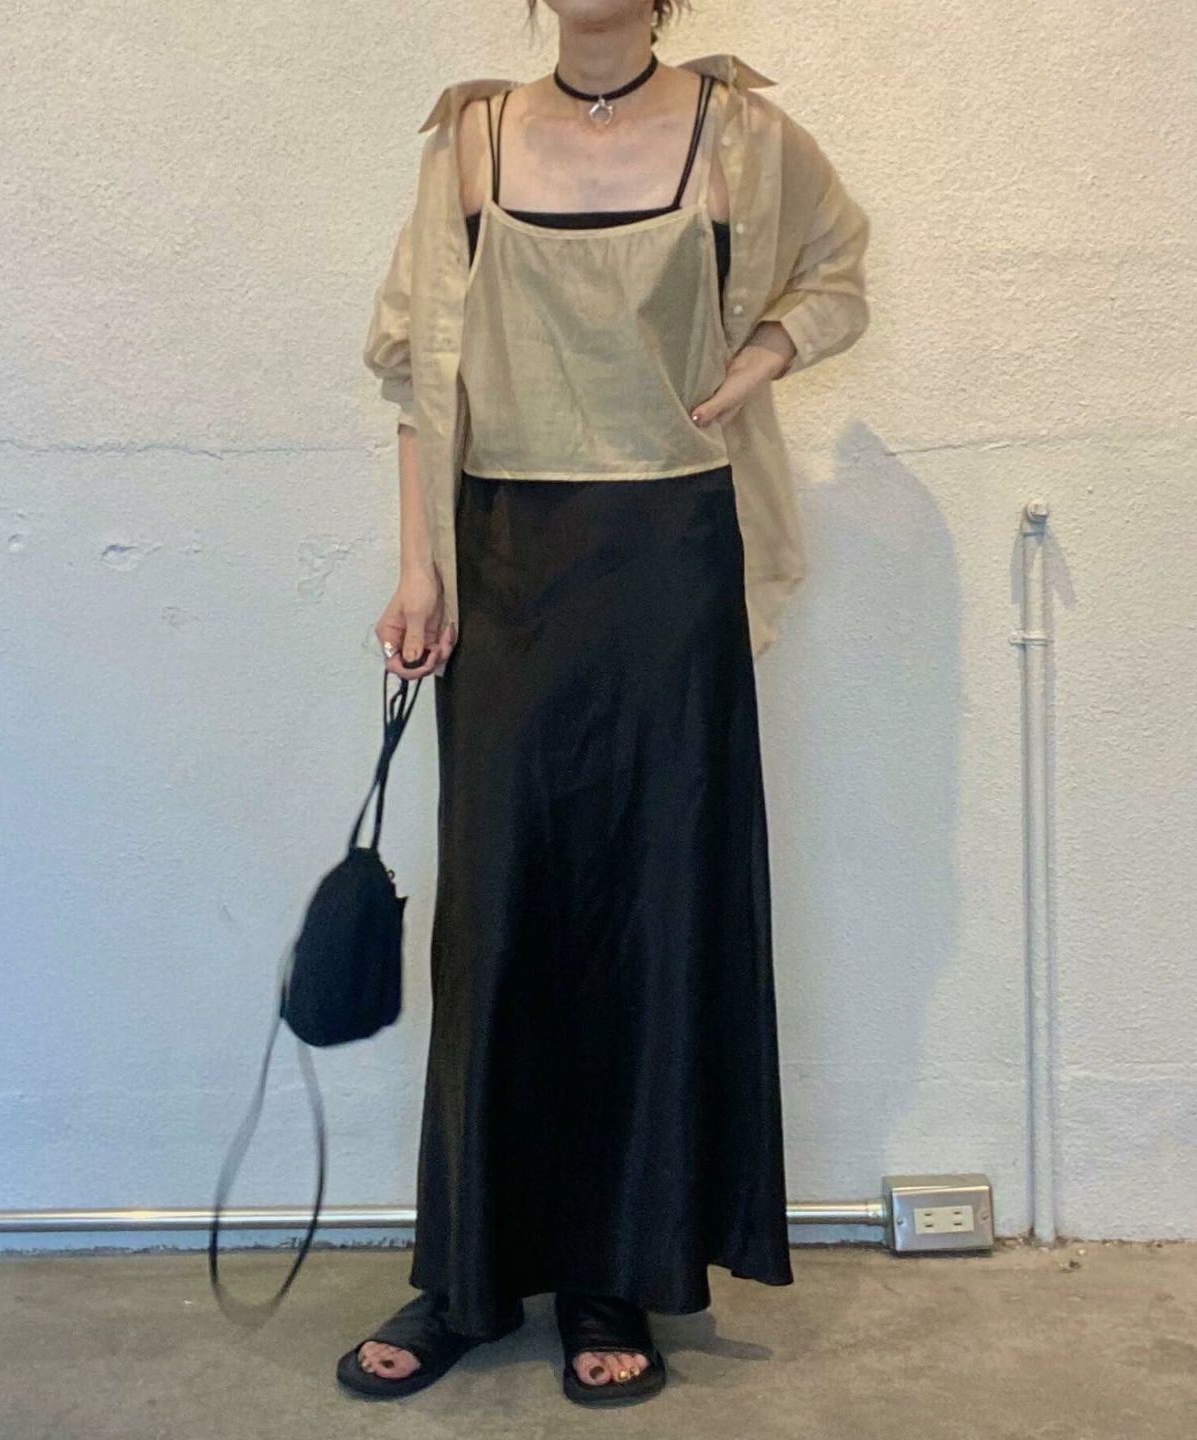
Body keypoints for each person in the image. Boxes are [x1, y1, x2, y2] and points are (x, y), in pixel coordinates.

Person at [337, 0, 870, 1409]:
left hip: (671, 552)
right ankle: (466, 1272)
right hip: (504, 553)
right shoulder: (468, 138)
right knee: (498, 911)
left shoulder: (740, 133)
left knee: (649, 907)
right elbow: (418, 373)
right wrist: (419, 569)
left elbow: (835, 270)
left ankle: (610, 1273)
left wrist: (758, 358)